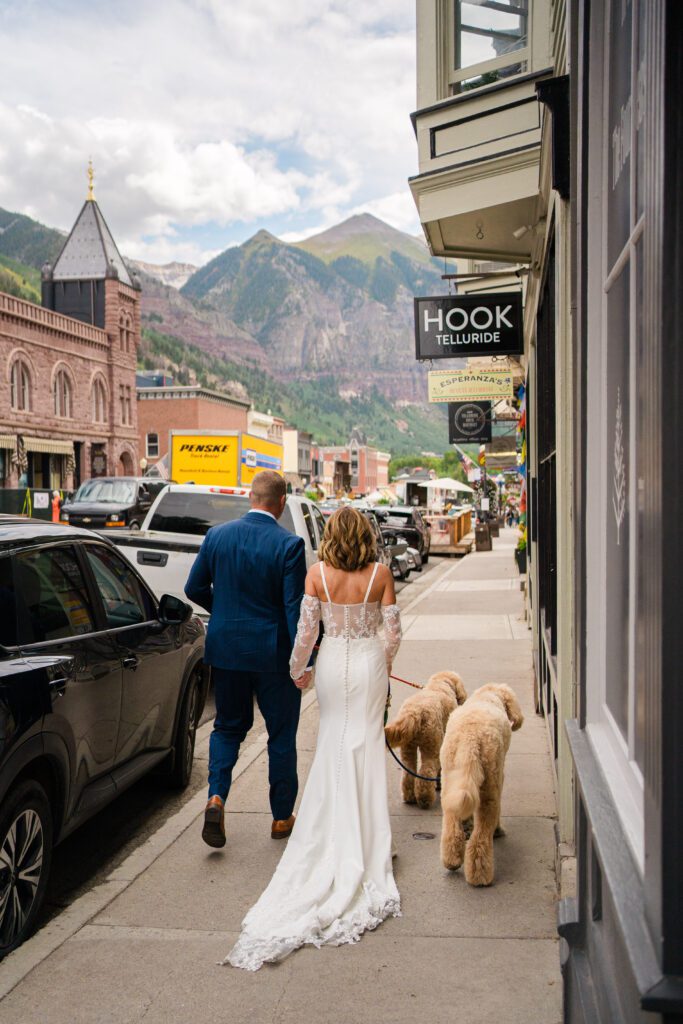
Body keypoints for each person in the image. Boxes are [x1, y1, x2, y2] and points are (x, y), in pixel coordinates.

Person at [225, 506, 403, 971]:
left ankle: (329, 837)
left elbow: (306, 633)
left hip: (330, 666)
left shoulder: (316, 574)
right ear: (366, 535)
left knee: (331, 746)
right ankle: (367, 842)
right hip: (367, 664)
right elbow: (393, 633)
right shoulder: (381, 573)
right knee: (363, 745)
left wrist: (297, 669)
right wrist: (382, 662)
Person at [185, 470, 307, 848]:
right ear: (281, 503)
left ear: (250, 499)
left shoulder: (217, 536)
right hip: (273, 657)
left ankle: (217, 797)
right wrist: (303, 659)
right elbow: (293, 609)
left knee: (227, 727)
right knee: (281, 736)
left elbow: (193, 588)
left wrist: (222, 614)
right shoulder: (289, 545)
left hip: (226, 650)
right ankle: (281, 817)